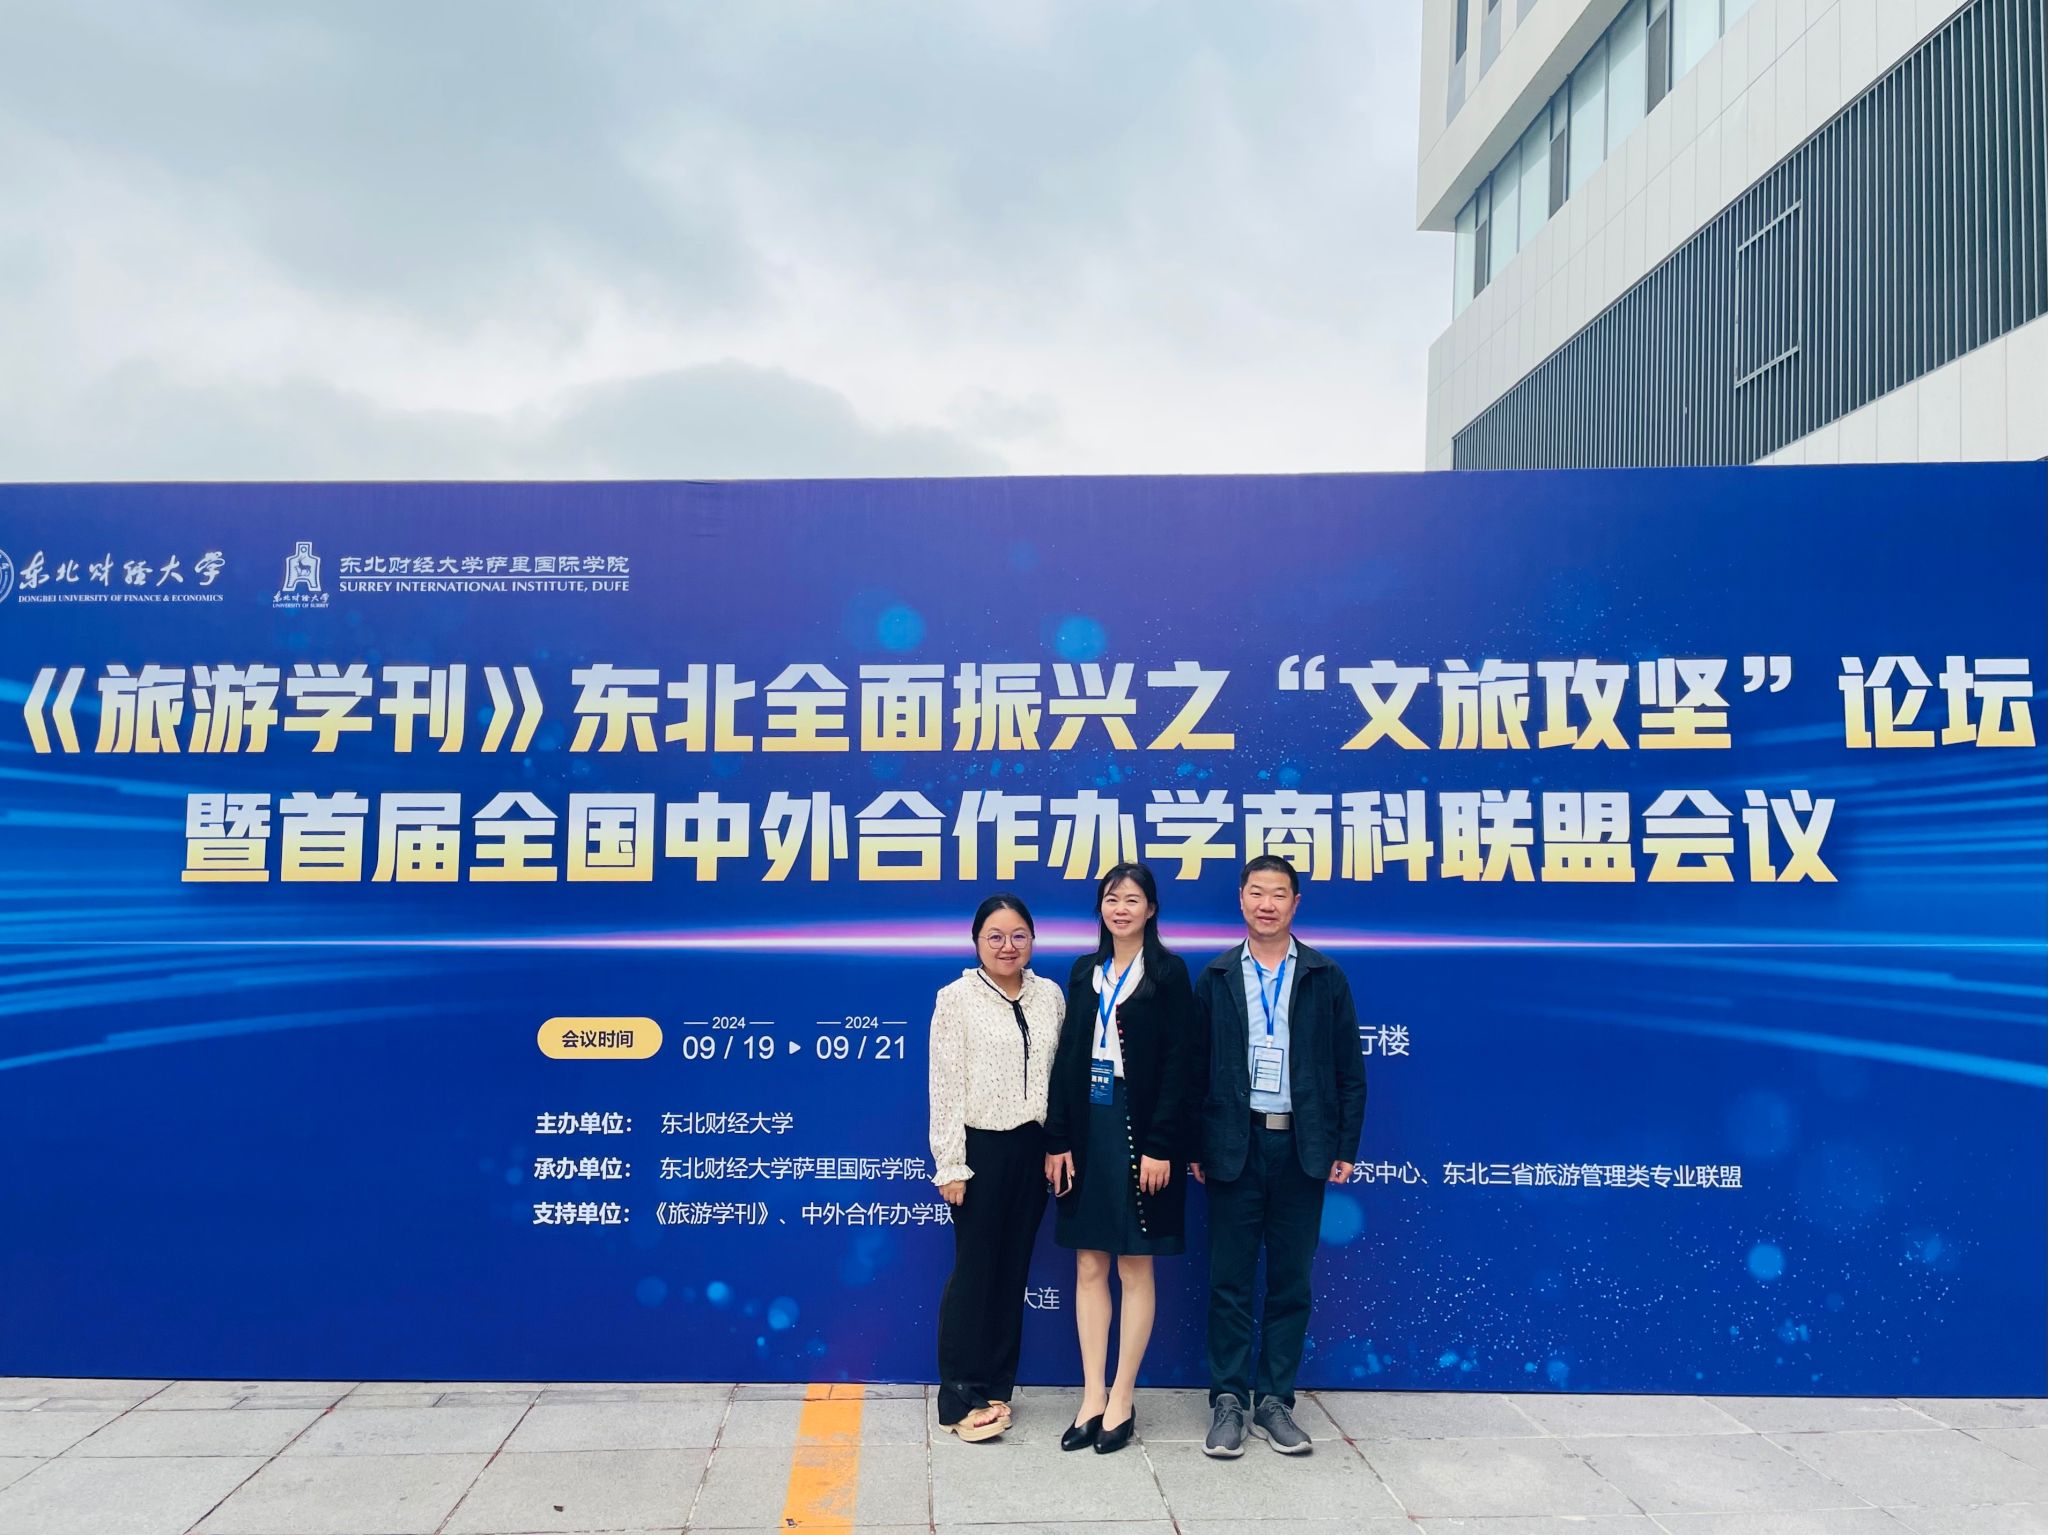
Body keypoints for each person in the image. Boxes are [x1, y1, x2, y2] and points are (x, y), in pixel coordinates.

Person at [1191, 855, 1366, 1458]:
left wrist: (1344, 1145)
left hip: (1302, 1146)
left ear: (1296, 903)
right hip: (1233, 1145)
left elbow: (1350, 1071)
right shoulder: (1216, 976)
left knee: (1291, 1281)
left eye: (1279, 894)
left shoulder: (1324, 977)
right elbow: (1195, 1070)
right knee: (1229, 1281)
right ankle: (1228, 1400)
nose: (1267, 904)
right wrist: (1196, 1144)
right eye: (1257, 892)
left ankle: (1275, 1401)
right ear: (1241, 899)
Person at [1043, 862, 1203, 1454]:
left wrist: (1163, 1146)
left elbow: (1181, 1067)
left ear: (1151, 910)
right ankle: (1091, 1395)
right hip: (1088, 1130)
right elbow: (1066, 1060)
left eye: (1133, 899)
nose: (1121, 909)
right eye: (1112, 899)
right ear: (1100, 909)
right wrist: (1057, 1138)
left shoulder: (1168, 973)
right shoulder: (1083, 971)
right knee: (1089, 1263)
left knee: (1135, 1264)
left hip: (1142, 1134)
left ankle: (1122, 1397)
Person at [928, 893, 1064, 1441]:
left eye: (1018, 936)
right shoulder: (956, 998)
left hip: (1034, 1149)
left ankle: (997, 1387)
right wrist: (951, 1164)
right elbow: (944, 1085)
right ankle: (959, 1396)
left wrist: (1058, 1143)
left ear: (1032, 939)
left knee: (1013, 1272)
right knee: (975, 1271)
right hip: (979, 1151)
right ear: (977, 942)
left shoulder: (1049, 995)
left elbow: (1061, 1076)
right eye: (996, 937)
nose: (1008, 946)